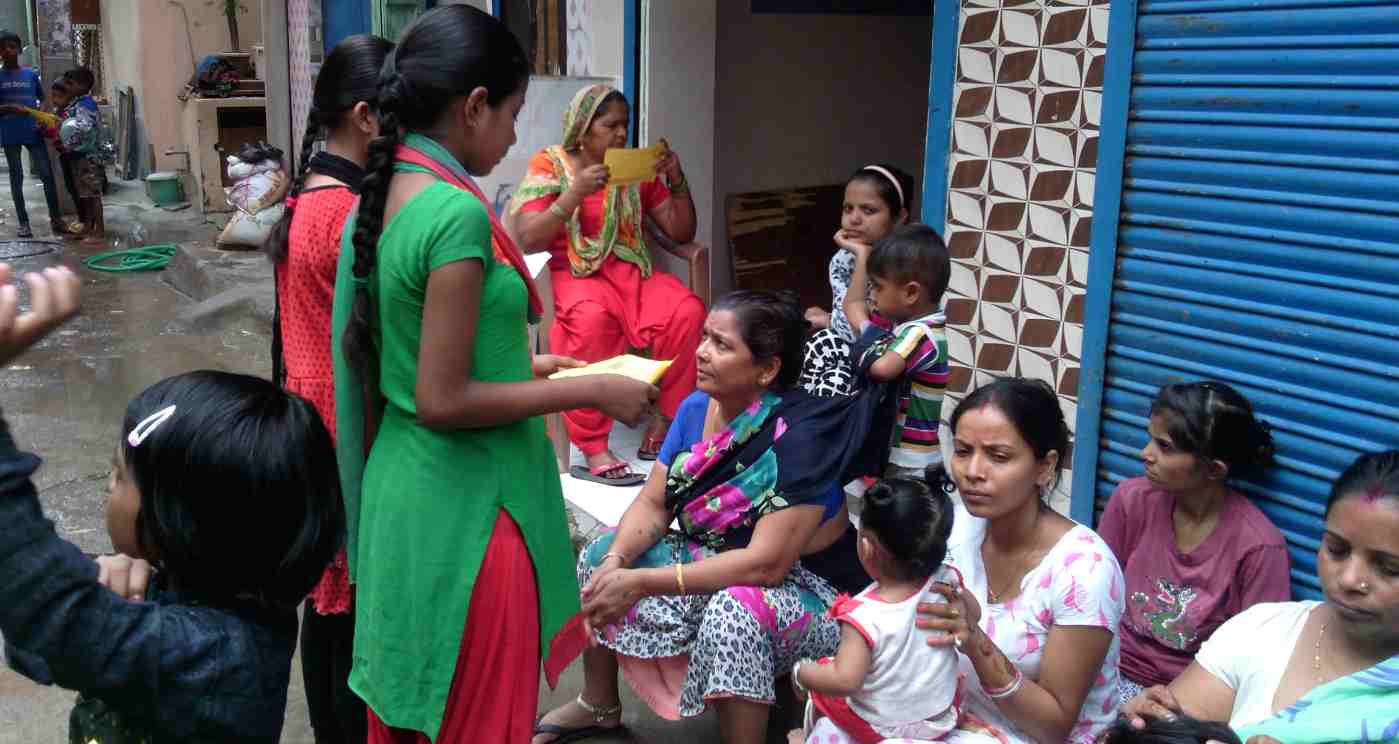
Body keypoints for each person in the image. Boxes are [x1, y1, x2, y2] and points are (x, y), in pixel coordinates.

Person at [329, 7, 656, 742]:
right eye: (510, 115)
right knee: (475, 719)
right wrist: (589, 389)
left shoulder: (383, 198)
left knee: (420, 709)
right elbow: (442, 398)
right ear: (473, 106)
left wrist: (530, 362)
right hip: (469, 512)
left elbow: (412, 355)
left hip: (403, 498)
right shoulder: (453, 214)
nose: (514, 135)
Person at [0, 263, 343, 742]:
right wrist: (96, 585)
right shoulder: (204, 590)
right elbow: (33, 631)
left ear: (179, 523)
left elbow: (49, 619)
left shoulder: (216, 655)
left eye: (120, 475)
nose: (108, 484)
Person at [533, 290, 889, 744]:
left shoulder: (801, 440)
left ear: (767, 369)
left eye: (721, 345)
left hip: (819, 594)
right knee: (601, 553)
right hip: (731, 561)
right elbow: (654, 504)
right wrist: (618, 562)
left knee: (735, 610)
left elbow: (766, 566)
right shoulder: (696, 409)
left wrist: (641, 583)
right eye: (704, 338)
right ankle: (598, 703)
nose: (700, 352)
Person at [266, 33, 393, 744]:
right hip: (339, 419)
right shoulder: (341, 212)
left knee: (331, 600)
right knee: (344, 606)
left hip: (312, 406)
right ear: (366, 117)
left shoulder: (310, 188)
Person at [1121, 449, 1399, 744]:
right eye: (1336, 550)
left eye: (1390, 568)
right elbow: (1170, 729)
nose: (1349, 580)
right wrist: (1144, 730)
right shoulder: (1262, 631)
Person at [509, 83, 703, 485]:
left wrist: (677, 179)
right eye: (610, 125)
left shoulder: (631, 167)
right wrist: (575, 192)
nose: (620, 133)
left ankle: (667, 419)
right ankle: (594, 445)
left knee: (687, 311)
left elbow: (680, 232)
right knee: (592, 321)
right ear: (583, 127)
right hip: (572, 274)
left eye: (625, 124)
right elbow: (529, 236)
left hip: (631, 271)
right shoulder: (552, 164)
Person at [916, 377, 1125, 744]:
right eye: (963, 451)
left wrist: (976, 640)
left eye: (999, 456)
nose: (972, 472)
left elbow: (1054, 726)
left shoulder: (1084, 570)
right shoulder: (955, 528)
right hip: (958, 725)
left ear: (1045, 467)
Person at [1098, 382, 1290, 702]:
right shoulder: (1131, 501)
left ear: (1213, 469)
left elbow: (1258, 660)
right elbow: (1097, 594)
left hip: (1185, 698)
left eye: (1165, 447)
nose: (1145, 454)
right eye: (1150, 439)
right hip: (1108, 670)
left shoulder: (1259, 547)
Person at [791, 476, 962, 744]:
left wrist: (802, 673)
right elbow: (970, 615)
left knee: (824, 679)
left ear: (866, 546)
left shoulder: (864, 615)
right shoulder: (947, 580)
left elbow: (846, 681)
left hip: (881, 728)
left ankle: (809, 737)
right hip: (940, 715)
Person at [843, 223, 951, 478]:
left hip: (912, 462)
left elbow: (882, 368)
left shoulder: (920, 332)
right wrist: (861, 254)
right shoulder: (910, 330)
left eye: (878, 286)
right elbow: (854, 306)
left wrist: (860, 348)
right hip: (908, 457)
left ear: (911, 292)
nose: (872, 294)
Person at [799, 164, 914, 399]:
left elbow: (857, 334)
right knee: (820, 344)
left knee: (829, 350)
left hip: (888, 364)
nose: (854, 219)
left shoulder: (906, 265)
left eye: (869, 210)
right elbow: (845, 326)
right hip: (855, 357)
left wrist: (863, 257)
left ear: (899, 217)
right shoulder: (843, 260)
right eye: (848, 208)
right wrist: (830, 320)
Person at [0, 30, 64, 238]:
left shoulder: (30, 75)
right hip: (10, 133)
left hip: (33, 131)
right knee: (16, 177)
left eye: (11, 46)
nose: (7, 51)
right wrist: (9, 107)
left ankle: (56, 220)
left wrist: (43, 117)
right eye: (3, 47)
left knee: (47, 174)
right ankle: (24, 223)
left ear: (18, 49)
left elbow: (44, 99)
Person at [54, 67, 104, 244]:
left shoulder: (85, 104)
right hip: (79, 156)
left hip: (87, 156)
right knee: (85, 195)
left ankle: (99, 230)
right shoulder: (78, 103)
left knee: (92, 195)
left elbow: (84, 128)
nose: (67, 87)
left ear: (82, 85)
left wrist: (69, 144)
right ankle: (89, 228)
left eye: (70, 83)